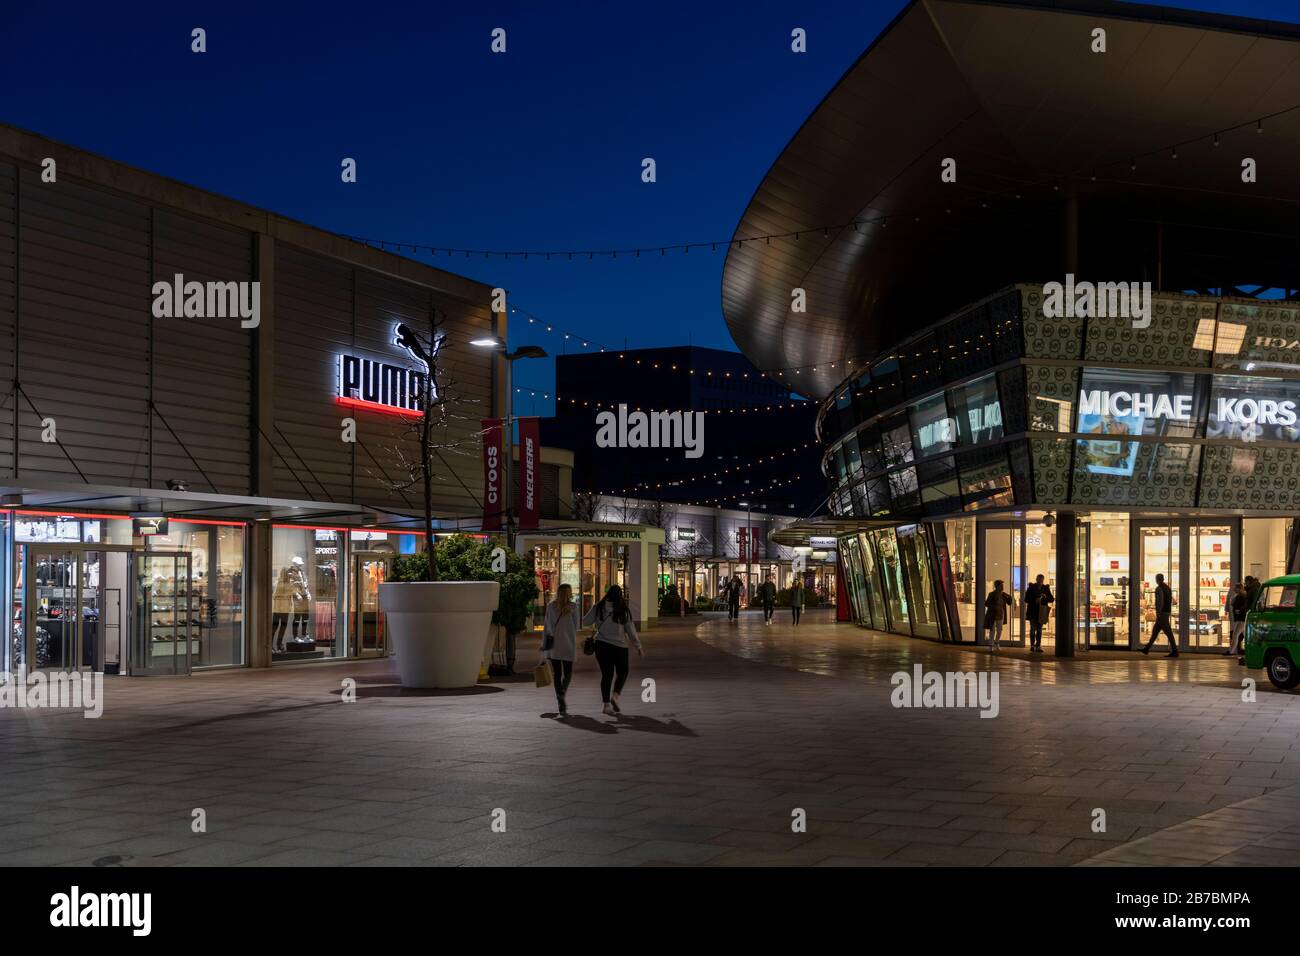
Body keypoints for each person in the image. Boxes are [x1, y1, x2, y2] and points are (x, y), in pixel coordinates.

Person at [583, 584, 644, 716]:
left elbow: (585, 622)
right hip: (620, 646)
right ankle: (615, 696)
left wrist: (593, 614)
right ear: (620, 595)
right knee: (623, 671)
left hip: (602, 645)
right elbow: (631, 630)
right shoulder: (623, 609)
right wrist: (638, 646)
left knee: (607, 675)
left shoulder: (598, 607)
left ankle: (606, 705)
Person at [542, 583, 580, 715]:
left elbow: (547, 627)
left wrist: (544, 644)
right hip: (568, 643)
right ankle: (563, 692)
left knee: (557, 674)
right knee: (568, 673)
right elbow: (576, 626)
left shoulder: (551, 607)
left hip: (555, 645)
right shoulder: (574, 607)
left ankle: (560, 700)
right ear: (569, 593)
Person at [1141, 572, 1178, 657]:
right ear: (1163, 579)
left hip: (1162, 613)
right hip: (1167, 611)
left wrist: (1158, 612)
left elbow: (1160, 602)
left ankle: (1175, 650)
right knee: (1155, 631)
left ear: (1157, 579)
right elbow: (1173, 601)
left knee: (1168, 632)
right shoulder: (1168, 588)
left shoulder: (1159, 588)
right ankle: (1147, 648)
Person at [1023, 574, 1054, 652]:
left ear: (1043, 580)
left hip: (1041, 612)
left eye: (1041, 580)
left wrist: (1044, 597)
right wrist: (1034, 600)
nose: (1040, 581)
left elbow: (1051, 599)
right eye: (1039, 580)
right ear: (1036, 579)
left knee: (1039, 630)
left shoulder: (1045, 588)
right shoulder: (1031, 587)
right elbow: (1026, 599)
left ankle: (1038, 645)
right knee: (1033, 629)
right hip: (1033, 611)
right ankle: (1032, 645)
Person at [984, 579, 1012, 652]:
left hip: (1000, 614)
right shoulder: (992, 594)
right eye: (1001, 585)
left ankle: (996, 642)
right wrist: (994, 607)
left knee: (999, 630)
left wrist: (1010, 597)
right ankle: (991, 645)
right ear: (997, 586)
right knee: (992, 630)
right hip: (992, 615)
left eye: (1002, 585)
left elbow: (1009, 603)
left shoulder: (1003, 595)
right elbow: (986, 603)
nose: (1002, 587)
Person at [1224, 582, 1248, 658]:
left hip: (1241, 618)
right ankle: (1249, 650)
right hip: (1241, 618)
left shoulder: (1242, 596)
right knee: (1245, 636)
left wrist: (1239, 610)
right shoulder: (1240, 596)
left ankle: (1231, 651)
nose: (1234, 589)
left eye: (1236, 588)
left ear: (1239, 588)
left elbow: (1237, 605)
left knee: (1235, 634)